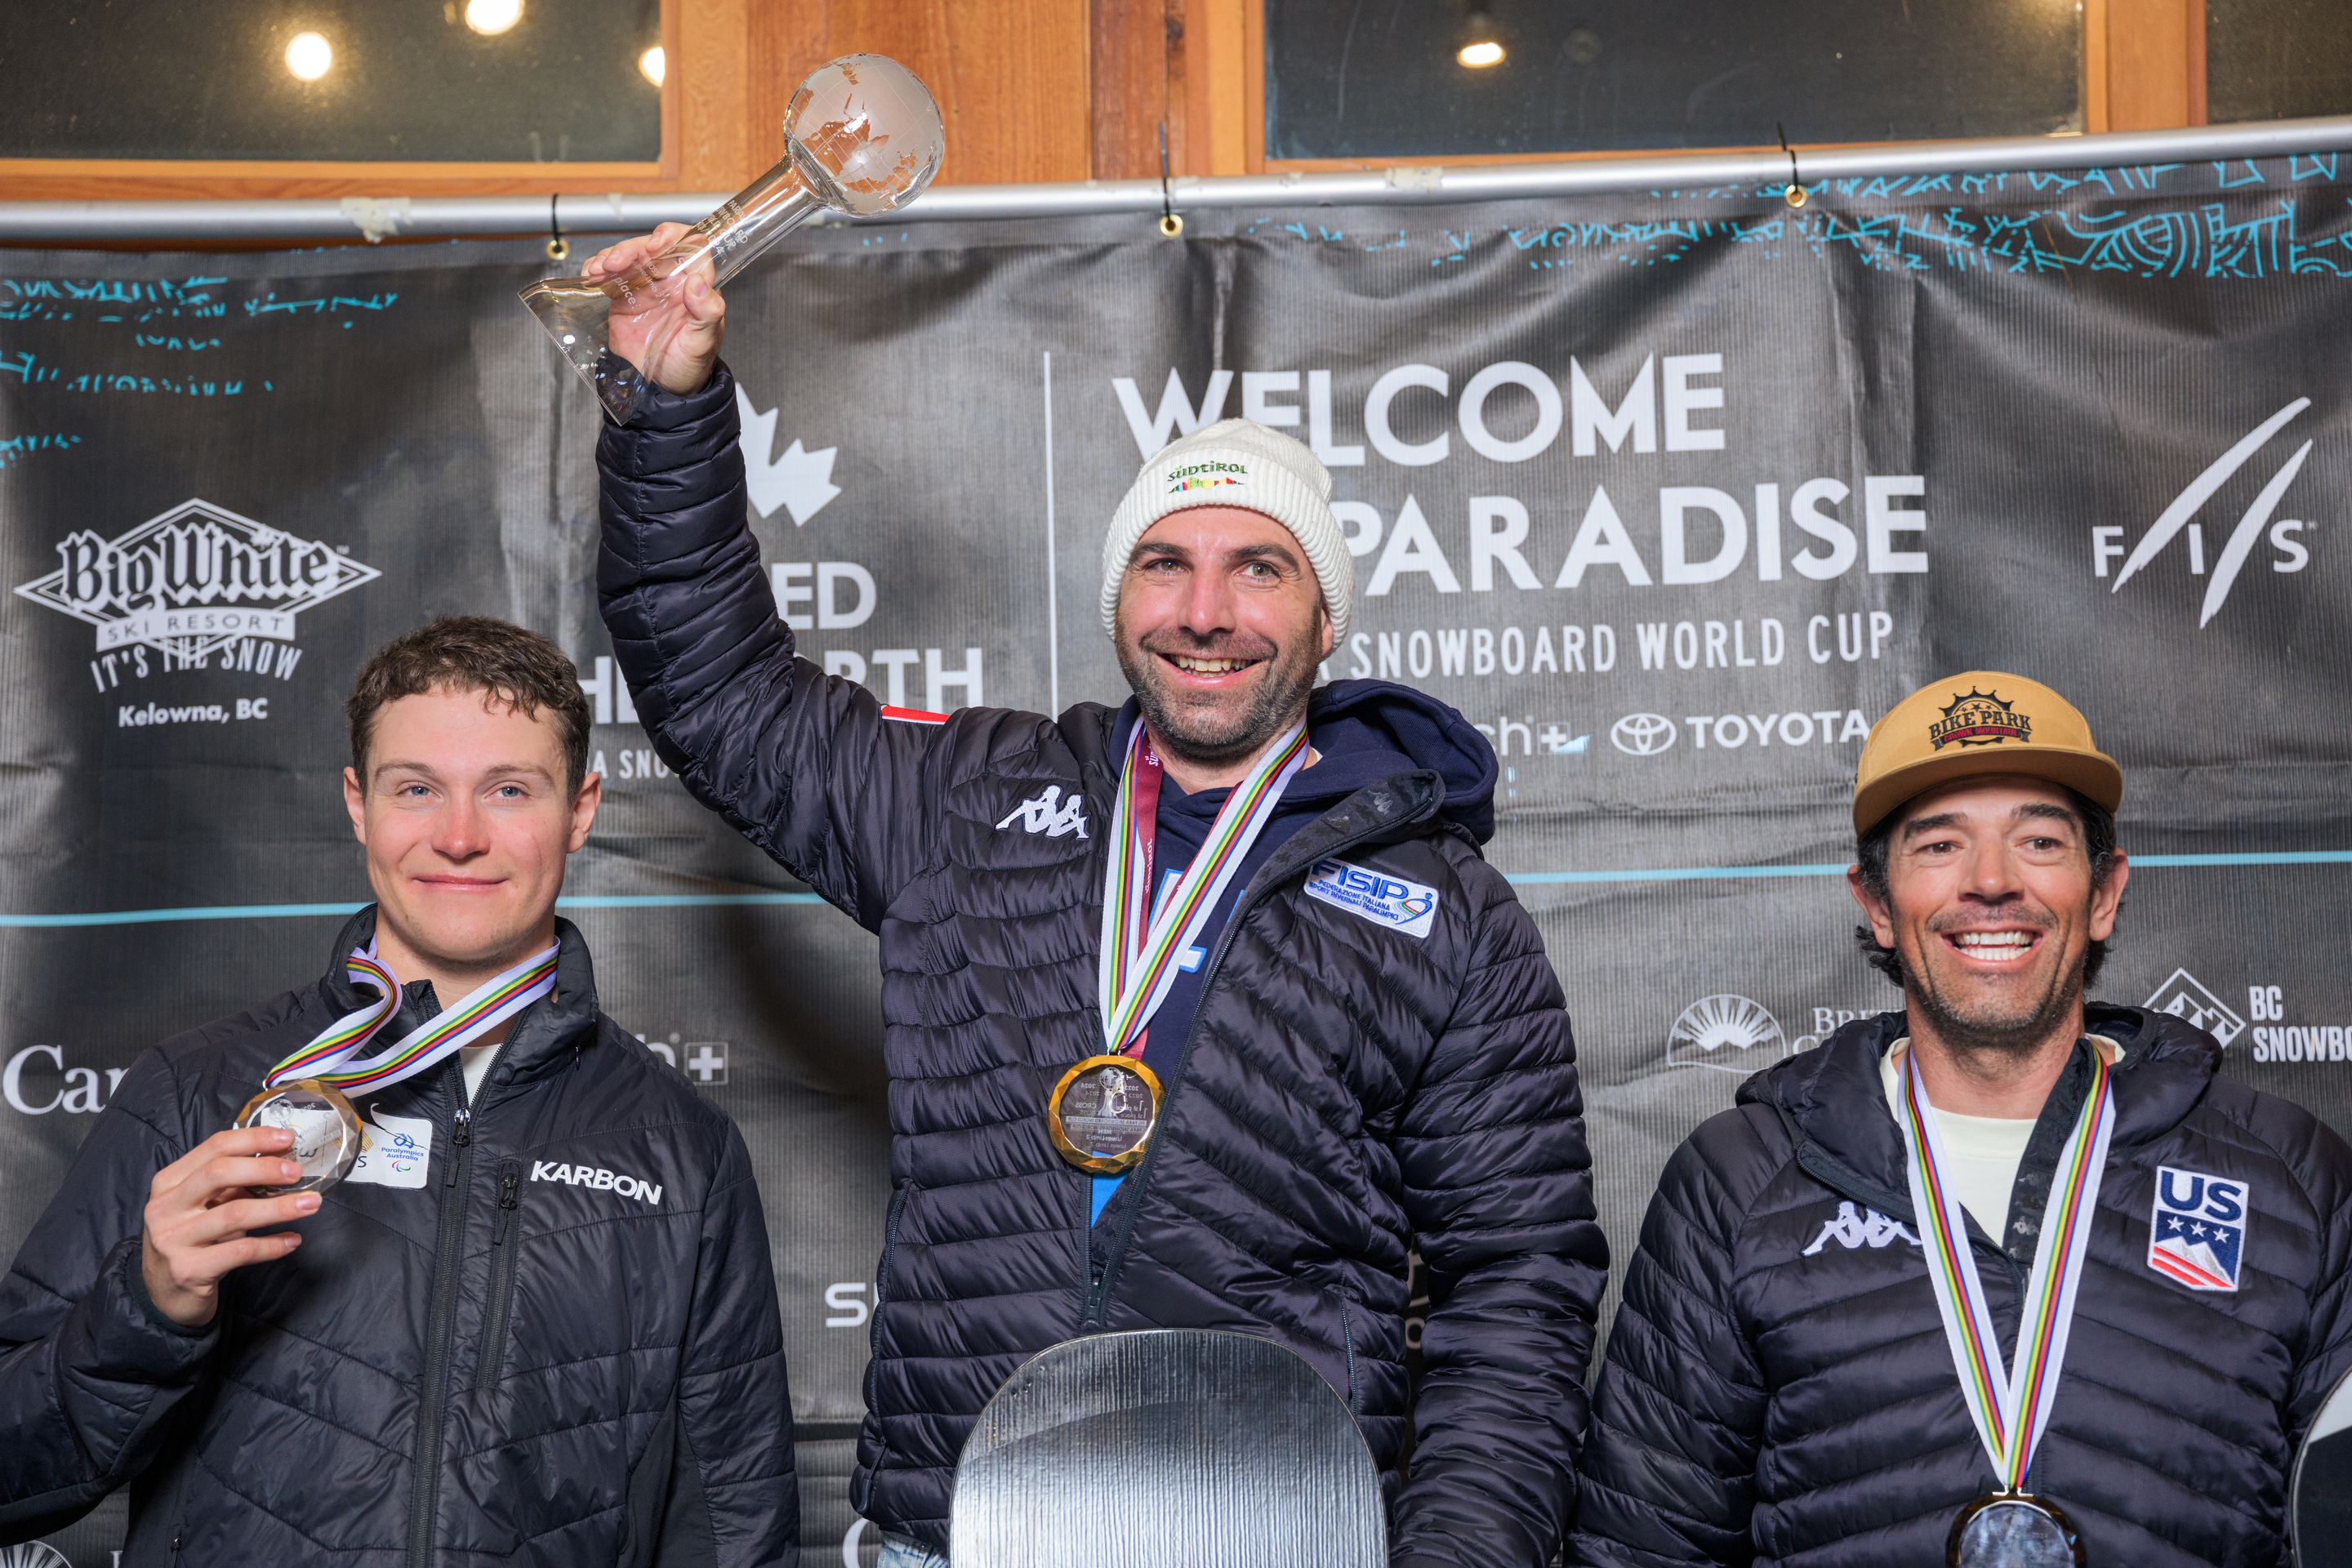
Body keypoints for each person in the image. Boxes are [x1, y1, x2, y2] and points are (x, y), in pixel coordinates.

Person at [585, 227, 1604, 1568]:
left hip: (1274, 1537)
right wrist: (666, 412)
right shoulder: (970, 802)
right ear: (1119, 596)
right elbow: (724, 702)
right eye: (1165, 563)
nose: (1207, 609)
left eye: (1262, 567)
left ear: (1327, 617)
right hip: (956, 1531)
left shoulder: (1439, 910)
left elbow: (1517, 1285)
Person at [0, 617, 796, 1566]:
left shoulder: (681, 1148)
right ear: (357, 804)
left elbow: (732, 1531)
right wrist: (145, 1304)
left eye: (509, 790)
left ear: (581, 811)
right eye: (416, 789)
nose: (459, 837)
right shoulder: (197, 1093)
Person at [1566, 671, 2352, 1566]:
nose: (1990, 882)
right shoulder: (1741, 1181)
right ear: (1876, 904)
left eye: (2040, 840)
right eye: (1939, 845)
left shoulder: (2291, 1175)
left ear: (2102, 895)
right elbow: (1644, 1547)